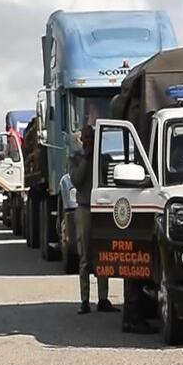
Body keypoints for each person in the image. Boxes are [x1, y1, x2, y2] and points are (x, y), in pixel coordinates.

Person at [69, 125, 119, 315]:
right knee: (85, 257)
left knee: (103, 256)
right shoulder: (75, 159)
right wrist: (87, 159)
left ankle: (103, 298)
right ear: (82, 139)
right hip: (84, 208)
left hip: (102, 209)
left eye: (92, 137)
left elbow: (110, 179)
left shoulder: (104, 159)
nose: (89, 140)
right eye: (87, 137)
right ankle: (84, 300)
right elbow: (76, 180)